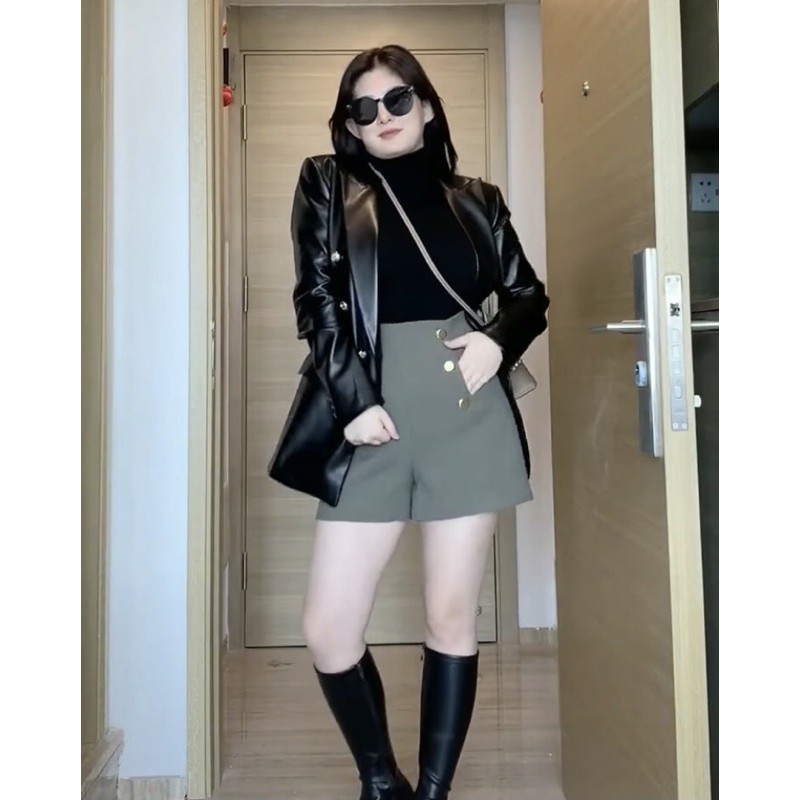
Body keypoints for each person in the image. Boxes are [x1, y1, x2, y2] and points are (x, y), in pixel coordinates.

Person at [269, 44, 550, 800]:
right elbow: (317, 302)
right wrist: (354, 402)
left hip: (466, 413)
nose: (383, 117)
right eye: (363, 108)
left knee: (450, 616)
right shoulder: (327, 184)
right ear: (350, 124)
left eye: (397, 100)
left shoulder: (477, 199)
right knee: (328, 627)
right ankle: (381, 782)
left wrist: (496, 341)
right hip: (372, 418)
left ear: (425, 106)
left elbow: (528, 295)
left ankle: (430, 793)